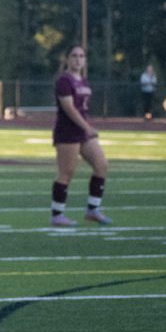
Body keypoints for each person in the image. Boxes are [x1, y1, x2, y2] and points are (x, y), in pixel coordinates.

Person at [50, 45, 111, 226]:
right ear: (67, 59)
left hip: (82, 131)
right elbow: (69, 108)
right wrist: (87, 127)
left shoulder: (83, 81)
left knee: (101, 165)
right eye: (74, 56)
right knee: (66, 173)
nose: (78, 59)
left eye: (81, 56)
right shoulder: (64, 81)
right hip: (68, 131)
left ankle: (93, 210)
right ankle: (57, 215)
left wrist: (86, 128)